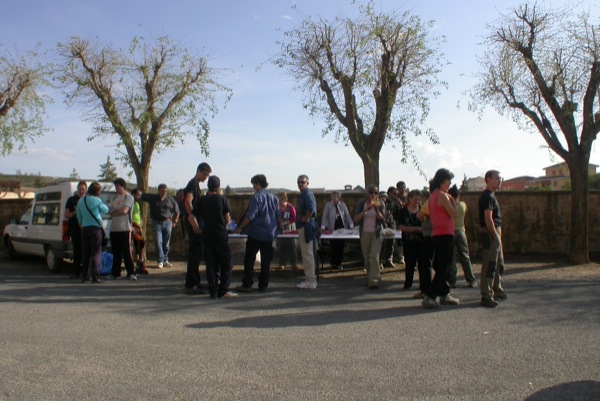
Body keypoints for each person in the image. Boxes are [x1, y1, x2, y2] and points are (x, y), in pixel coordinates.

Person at [188, 176, 237, 299]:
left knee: (211, 263)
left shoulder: (202, 200)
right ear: (218, 186)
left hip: (207, 234)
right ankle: (223, 289)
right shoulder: (222, 199)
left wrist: (197, 228)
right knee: (227, 263)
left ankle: (213, 290)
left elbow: (190, 217)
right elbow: (227, 219)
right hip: (220, 234)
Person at [234, 174, 281, 293]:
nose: (253, 187)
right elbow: (278, 215)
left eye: (254, 184)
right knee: (266, 260)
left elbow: (250, 215)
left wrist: (240, 227)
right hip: (269, 233)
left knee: (249, 259)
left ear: (258, 184)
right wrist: (280, 227)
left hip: (256, 233)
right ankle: (263, 284)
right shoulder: (274, 198)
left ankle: (247, 284)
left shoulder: (256, 197)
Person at [422, 169, 459, 309]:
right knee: (445, 266)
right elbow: (454, 214)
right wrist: (453, 200)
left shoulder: (432, 196)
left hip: (437, 233)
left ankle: (445, 293)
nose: (449, 184)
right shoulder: (443, 196)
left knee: (440, 265)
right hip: (445, 234)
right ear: (442, 181)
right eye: (448, 181)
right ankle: (430, 295)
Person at [479, 169, 506, 308]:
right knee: (490, 265)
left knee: (498, 264)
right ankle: (486, 295)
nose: (500, 180)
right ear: (488, 179)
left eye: (500, 178)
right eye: (497, 178)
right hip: (490, 232)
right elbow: (488, 218)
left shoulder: (491, 196)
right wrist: (495, 235)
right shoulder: (487, 197)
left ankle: (497, 290)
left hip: (494, 231)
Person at [183, 162, 211, 294]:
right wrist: (193, 221)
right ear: (199, 171)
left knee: (197, 254)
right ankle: (190, 285)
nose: (206, 177)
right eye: (204, 174)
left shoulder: (196, 185)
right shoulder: (192, 184)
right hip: (195, 224)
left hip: (197, 223)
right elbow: (188, 201)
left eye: (207, 175)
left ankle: (196, 281)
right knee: (195, 255)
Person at [141, 184, 180, 268]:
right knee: (158, 242)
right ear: (158, 191)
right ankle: (160, 260)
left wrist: (175, 221)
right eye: (162, 191)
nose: (164, 192)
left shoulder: (170, 200)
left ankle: (165, 260)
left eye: (165, 191)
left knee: (166, 243)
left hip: (167, 223)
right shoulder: (153, 198)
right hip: (157, 223)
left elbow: (177, 211)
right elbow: (141, 195)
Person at [76, 182, 109, 283]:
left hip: (85, 228)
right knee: (96, 252)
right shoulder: (96, 200)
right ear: (97, 192)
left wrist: (82, 224)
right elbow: (106, 210)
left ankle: (85, 276)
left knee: (86, 252)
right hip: (95, 228)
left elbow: (79, 216)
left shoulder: (81, 200)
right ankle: (95, 276)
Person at [354, 185, 385, 289]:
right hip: (365, 233)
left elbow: (383, 219)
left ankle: (374, 280)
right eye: (371, 192)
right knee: (367, 258)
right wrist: (366, 210)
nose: (373, 195)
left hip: (377, 233)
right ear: (367, 193)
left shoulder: (381, 203)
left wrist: (376, 210)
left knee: (374, 256)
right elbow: (356, 219)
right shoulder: (361, 203)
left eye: (375, 193)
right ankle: (371, 276)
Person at [447, 185, 477, 288]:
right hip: (461, 231)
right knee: (465, 257)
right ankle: (471, 280)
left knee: (452, 258)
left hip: (450, 232)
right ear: (458, 195)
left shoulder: (448, 207)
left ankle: (452, 281)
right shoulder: (463, 205)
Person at [398, 189, 427, 295]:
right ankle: (408, 283)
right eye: (415, 199)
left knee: (422, 264)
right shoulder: (402, 212)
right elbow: (402, 227)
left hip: (421, 241)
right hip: (408, 241)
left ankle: (423, 285)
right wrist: (416, 229)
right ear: (409, 199)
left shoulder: (423, 211)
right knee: (409, 263)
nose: (417, 201)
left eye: (419, 199)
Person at [108, 178, 137, 280]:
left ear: (122, 186)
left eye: (118, 186)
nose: (116, 188)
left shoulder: (128, 197)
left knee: (126, 251)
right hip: (114, 229)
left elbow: (125, 210)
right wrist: (116, 211)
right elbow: (108, 210)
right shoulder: (114, 198)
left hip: (125, 228)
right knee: (116, 252)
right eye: (115, 186)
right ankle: (116, 273)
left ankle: (131, 272)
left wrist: (115, 211)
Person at [295, 174, 318, 289]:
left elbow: (311, 208)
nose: (300, 184)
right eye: (298, 182)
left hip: (306, 226)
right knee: (308, 254)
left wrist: (306, 217)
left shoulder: (307, 194)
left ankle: (310, 281)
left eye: (302, 182)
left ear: (307, 183)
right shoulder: (304, 194)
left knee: (307, 254)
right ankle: (310, 279)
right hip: (306, 225)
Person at [320, 191, 353, 270]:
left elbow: (347, 215)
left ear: (339, 197)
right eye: (333, 196)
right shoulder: (328, 205)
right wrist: (323, 227)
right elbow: (324, 216)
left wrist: (351, 225)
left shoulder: (342, 205)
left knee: (340, 246)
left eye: (336, 196)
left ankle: (338, 263)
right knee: (333, 246)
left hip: (341, 227)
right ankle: (333, 262)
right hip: (332, 228)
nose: (334, 198)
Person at [65, 180, 87, 279]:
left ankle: (86, 271)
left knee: (86, 250)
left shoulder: (88, 200)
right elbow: (66, 215)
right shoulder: (71, 200)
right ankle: (76, 272)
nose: (81, 191)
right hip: (75, 228)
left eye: (83, 189)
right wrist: (75, 212)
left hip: (86, 228)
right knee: (76, 250)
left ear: (86, 190)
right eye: (80, 189)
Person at [276, 192, 299, 270]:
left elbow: (293, 219)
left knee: (292, 245)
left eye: (280, 199)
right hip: (280, 228)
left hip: (290, 227)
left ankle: (294, 263)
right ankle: (282, 263)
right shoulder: (277, 207)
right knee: (282, 246)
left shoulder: (290, 207)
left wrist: (285, 222)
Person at [130, 188, 149, 275]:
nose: (140, 197)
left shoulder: (137, 203)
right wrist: (131, 226)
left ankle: (139, 263)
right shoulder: (131, 203)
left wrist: (140, 225)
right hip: (132, 226)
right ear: (133, 194)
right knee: (139, 242)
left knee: (140, 244)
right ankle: (137, 262)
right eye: (138, 195)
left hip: (137, 226)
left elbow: (138, 215)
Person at [378, 190, 396, 268]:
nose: (384, 198)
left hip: (390, 225)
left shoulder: (390, 204)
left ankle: (388, 260)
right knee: (381, 244)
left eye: (385, 197)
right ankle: (380, 261)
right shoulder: (377, 205)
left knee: (390, 243)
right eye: (382, 197)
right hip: (381, 226)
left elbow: (391, 214)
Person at [395, 181, 408, 264]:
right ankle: (400, 256)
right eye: (400, 188)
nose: (402, 189)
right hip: (397, 219)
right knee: (398, 238)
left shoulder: (408, 197)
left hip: (407, 219)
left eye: (404, 187)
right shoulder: (395, 197)